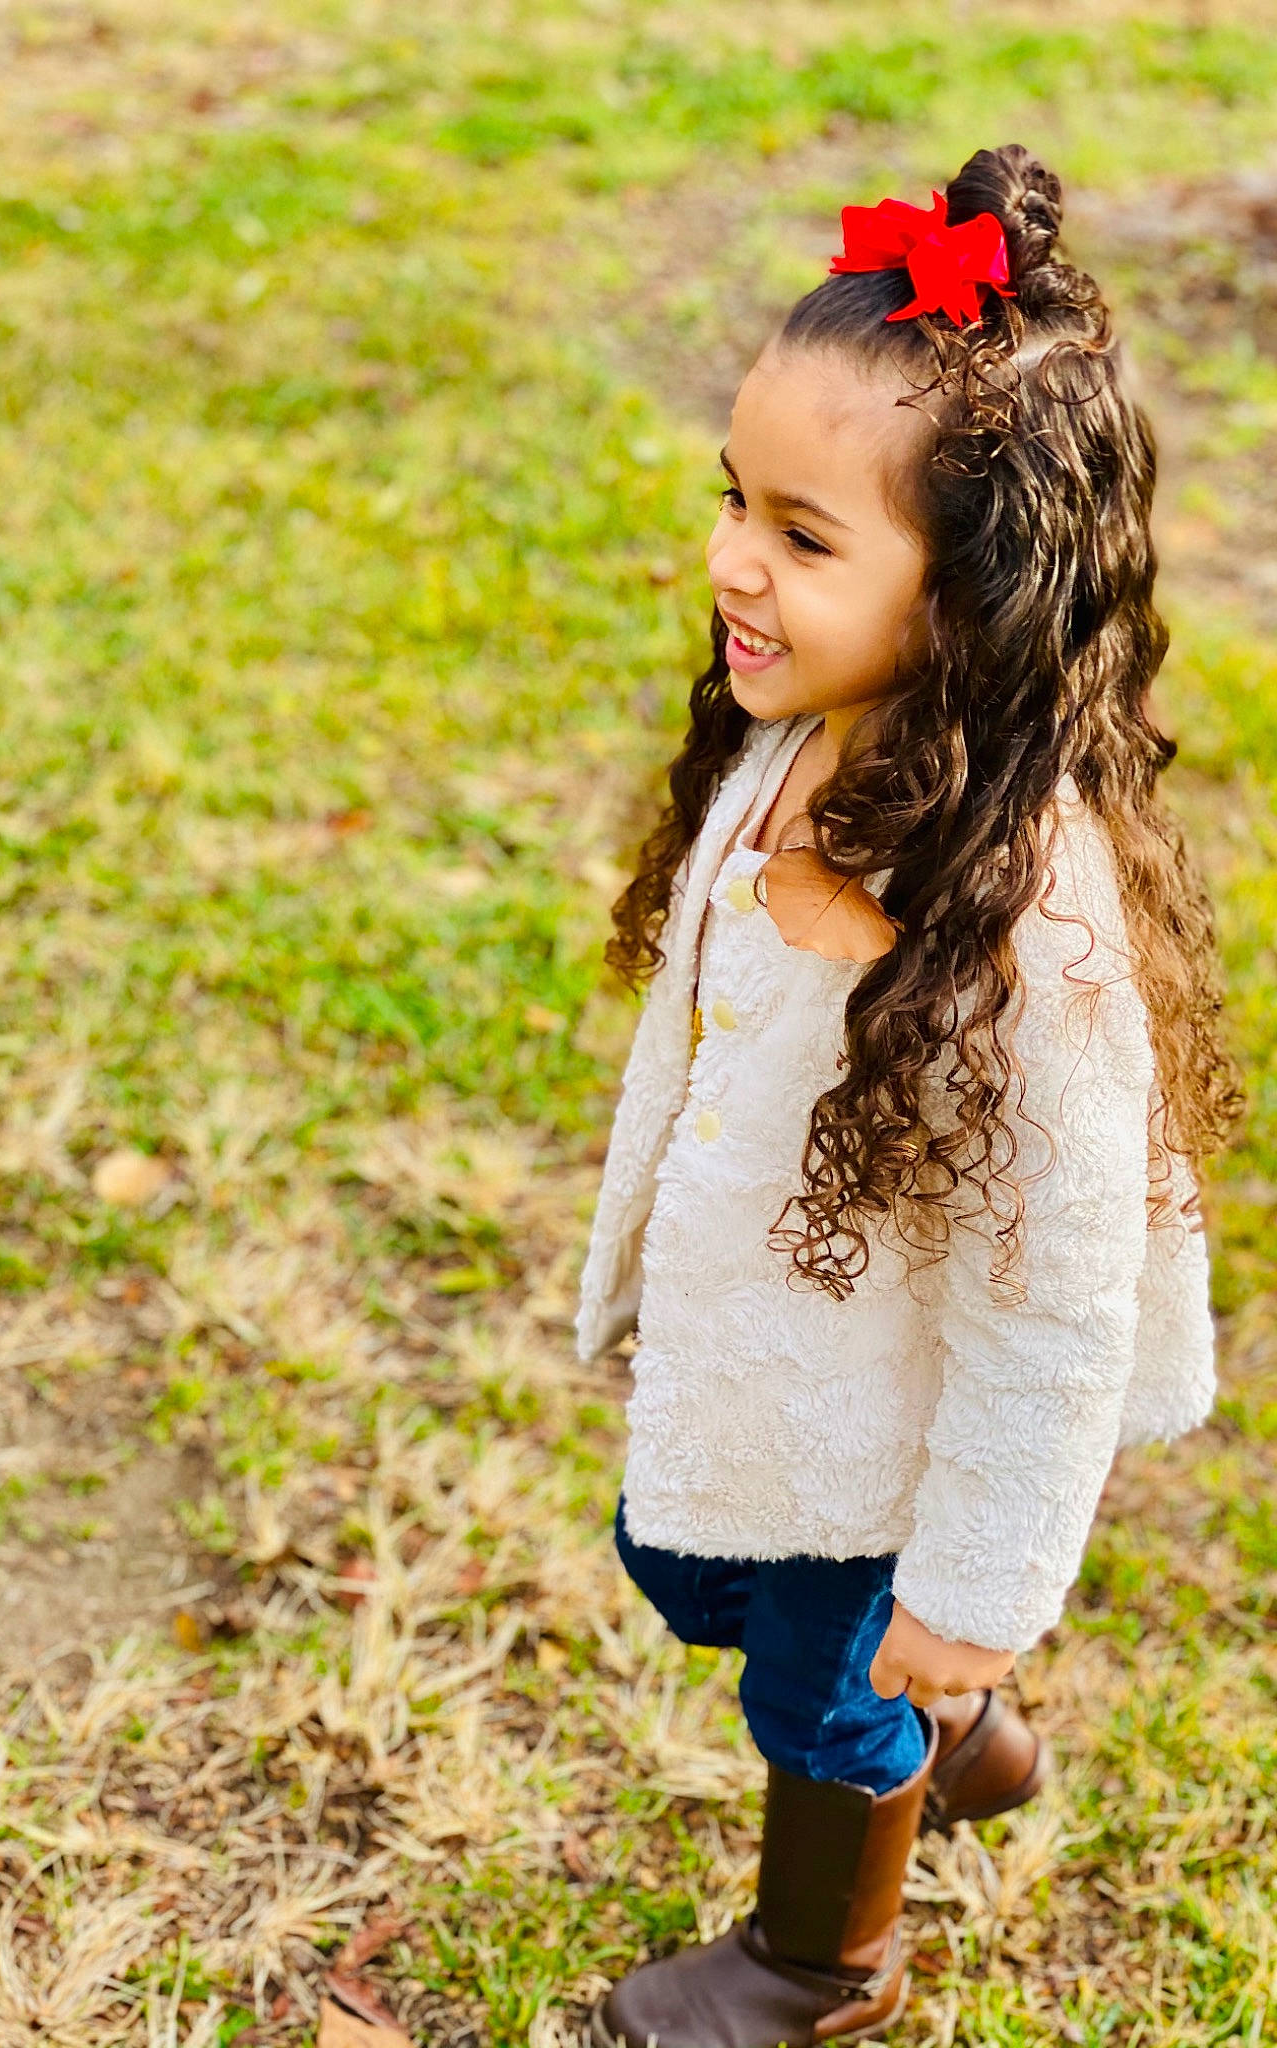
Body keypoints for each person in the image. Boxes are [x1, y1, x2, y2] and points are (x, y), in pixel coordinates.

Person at [575, 143, 1242, 2048]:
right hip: (791, 1359)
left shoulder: (1024, 932)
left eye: (802, 533)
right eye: (734, 501)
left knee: (819, 1674)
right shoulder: (800, 744)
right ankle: (950, 1733)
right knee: (698, 1570)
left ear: (974, 595)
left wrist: (971, 1593)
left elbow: (1050, 1309)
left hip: (887, 1432)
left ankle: (822, 1954)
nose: (729, 561)